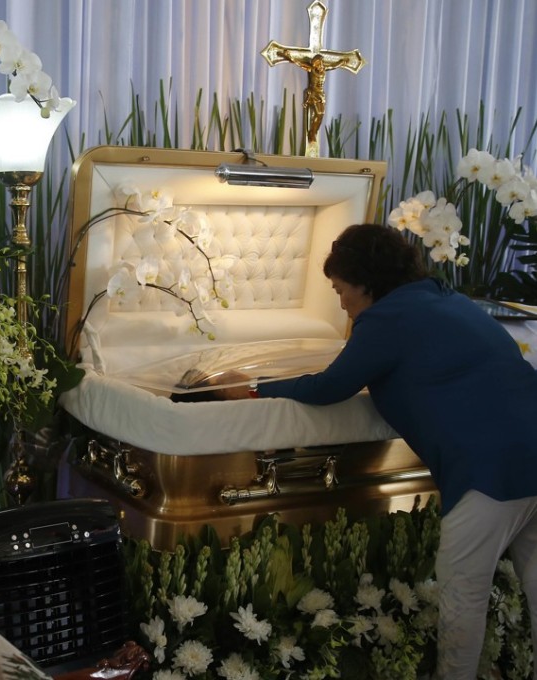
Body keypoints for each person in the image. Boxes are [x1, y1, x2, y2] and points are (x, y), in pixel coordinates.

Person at [212, 223, 537, 679]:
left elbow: (330, 386)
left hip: (487, 471)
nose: (340, 302)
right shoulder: (451, 302)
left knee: (462, 594)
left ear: (364, 283)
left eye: (339, 289)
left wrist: (249, 390)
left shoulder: (388, 319)